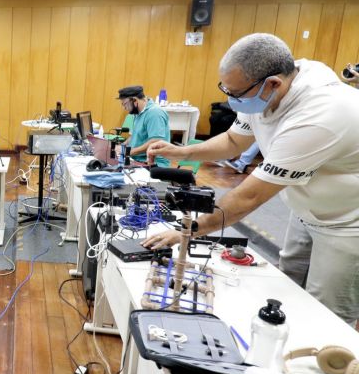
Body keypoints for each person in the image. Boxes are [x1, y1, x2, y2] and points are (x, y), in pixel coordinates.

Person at [143, 33, 359, 323]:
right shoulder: (270, 87)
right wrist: (181, 151)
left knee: (327, 313)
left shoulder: (319, 114)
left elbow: (250, 196)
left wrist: (189, 230)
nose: (230, 100)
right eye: (226, 90)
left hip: (347, 222)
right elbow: (234, 141)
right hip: (307, 207)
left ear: (272, 84)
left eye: (235, 94)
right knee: (288, 283)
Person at [116, 85, 170, 167]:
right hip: (138, 159)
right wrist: (121, 146)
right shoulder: (138, 112)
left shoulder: (155, 113)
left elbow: (155, 141)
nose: (124, 108)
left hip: (154, 163)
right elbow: (135, 136)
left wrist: (129, 152)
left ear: (135, 101)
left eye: (125, 104)